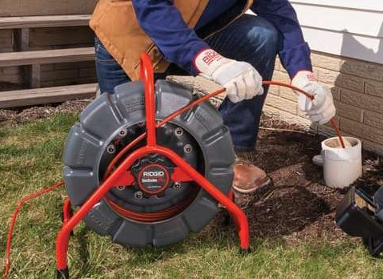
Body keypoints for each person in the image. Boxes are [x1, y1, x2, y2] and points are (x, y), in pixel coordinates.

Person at [90, 0, 336, 194]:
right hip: (130, 36)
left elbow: (279, 12)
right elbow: (152, 7)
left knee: (262, 36)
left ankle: (229, 156)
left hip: (193, 33)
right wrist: (212, 62)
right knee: (126, 154)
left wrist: (304, 75)